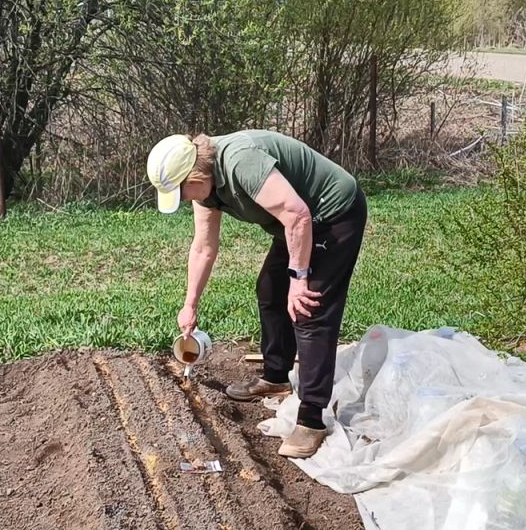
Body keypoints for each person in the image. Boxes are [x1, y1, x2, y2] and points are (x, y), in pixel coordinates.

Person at [146, 130, 367, 458]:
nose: (185, 200)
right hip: (295, 223)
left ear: (194, 177)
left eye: (182, 192)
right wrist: (190, 304)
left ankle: (311, 419)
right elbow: (204, 247)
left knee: (308, 308)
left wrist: (300, 279)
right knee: (270, 290)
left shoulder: (241, 163)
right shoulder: (206, 187)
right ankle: (276, 377)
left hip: (331, 214)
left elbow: (297, 214)